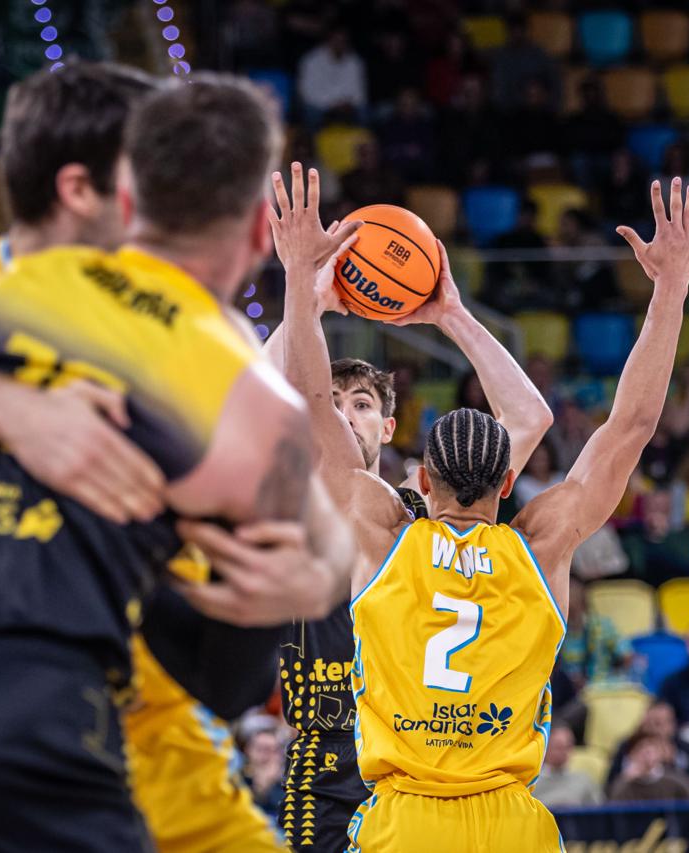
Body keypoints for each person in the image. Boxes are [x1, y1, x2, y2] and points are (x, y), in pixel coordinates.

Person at [0, 70, 353, 852]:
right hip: (20, 697)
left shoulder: (122, 316)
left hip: (110, 704)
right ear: (98, 192)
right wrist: (15, 411)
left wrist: (311, 575)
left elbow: (289, 468)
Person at [299, 177, 689, 850]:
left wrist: (303, 284)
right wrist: (671, 290)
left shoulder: (383, 531)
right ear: (510, 480)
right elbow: (631, 426)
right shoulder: (541, 545)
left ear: (421, 480)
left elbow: (315, 408)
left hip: (407, 818)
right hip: (512, 822)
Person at [266, 162, 554, 852]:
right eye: (333, 401)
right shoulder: (287, 493)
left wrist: (451, 314)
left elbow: (528, 420)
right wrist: (311, 302)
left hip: (427, 764)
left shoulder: (418, 513)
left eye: (361, 403)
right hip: (327, 757)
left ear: (389, 425)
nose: (343, 414)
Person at [604, 702, 689, 789]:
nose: (653, 729)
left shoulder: (687, 750)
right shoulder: (627, 747)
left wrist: (673, 763)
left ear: (671, 726)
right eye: (648, 723)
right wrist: (627, 775)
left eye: (658, 724)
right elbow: (609, 788)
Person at [296, 26, 368, 127]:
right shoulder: (311, 60)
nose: (339, 44)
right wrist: (332, 104)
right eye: (336, 40)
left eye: (343, 41)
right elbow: (308, 93)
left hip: (346, 105)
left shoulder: (355, 62)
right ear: (327, 41)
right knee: (311, 112)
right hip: (320, 105)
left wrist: (347, 103)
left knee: (364, 111)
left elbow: (359, 92)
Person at [606, 732, 689, 803]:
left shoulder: (674, 779)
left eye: (651, 749)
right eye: (640, 749)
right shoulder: (624, 782)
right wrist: (625, 779)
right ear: (631, 755)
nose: (646, 754)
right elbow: (611, 808)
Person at [533, 724, 603, 809]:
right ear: (546, 747)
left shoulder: (584, 781)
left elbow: (600, 810)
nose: (563, 752)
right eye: (558, 747)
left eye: (567, 747)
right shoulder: (532, 783)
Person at [240, 722, 285, 818]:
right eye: (260, 749)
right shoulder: (237, 779)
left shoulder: (289, 785)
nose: (266, 756)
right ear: (248, 750)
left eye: (272, 750)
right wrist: (260, 788)